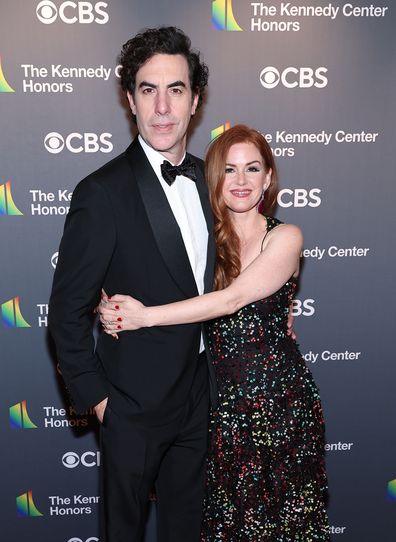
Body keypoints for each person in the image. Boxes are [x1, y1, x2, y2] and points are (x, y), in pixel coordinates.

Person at [99, 125, 330, 541]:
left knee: (281, 524)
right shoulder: (206, 239)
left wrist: (143, 316)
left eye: (252, 169)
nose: (240, 181)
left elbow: (231, 300)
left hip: (277, 404)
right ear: (214, 180)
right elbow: (149, 266)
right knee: (224, 525)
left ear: (269, 178)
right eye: (229, 170)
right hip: (216, 406)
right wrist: (109, 303)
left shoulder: (286, 236)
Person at [49, 26, 217, 542]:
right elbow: (65, 316)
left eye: (176, 90)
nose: (163, 107)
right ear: (130, 100)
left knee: (188, 530)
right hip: (133, 408)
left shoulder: (212, 181)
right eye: (149, 90)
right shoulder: (102, 193)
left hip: (203, 396)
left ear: (195, 101)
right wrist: (104, 406)